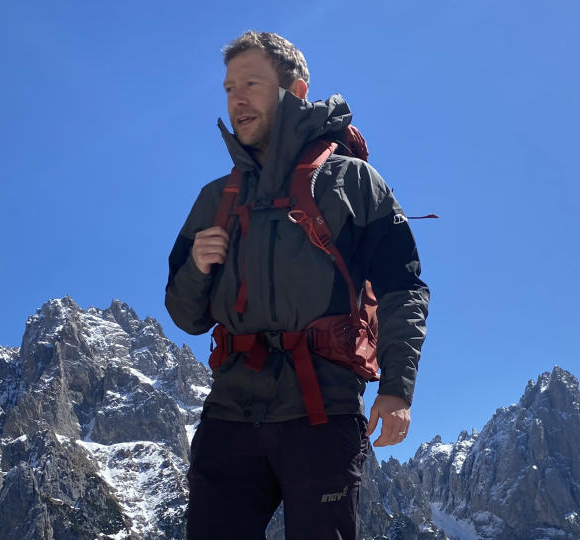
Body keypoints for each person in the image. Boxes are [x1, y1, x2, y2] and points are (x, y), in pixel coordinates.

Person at [165, 31, 429, 540]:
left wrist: (396, 390)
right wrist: (197, 268)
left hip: (322, 411)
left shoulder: (353, 182)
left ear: (297, 91)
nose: (236, 99)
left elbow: (402, 288)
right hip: (230, 413)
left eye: (251, 84)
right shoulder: (214, 199)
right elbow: (187, 317)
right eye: (228, 88)